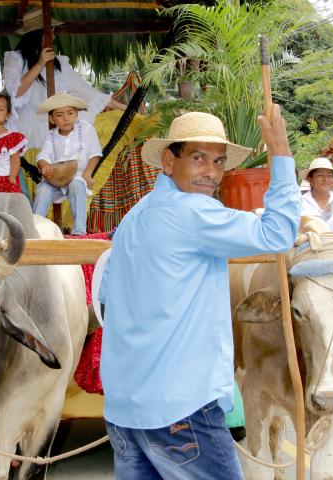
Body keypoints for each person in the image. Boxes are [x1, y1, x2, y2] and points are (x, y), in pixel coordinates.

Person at [98, 106, 301, 479]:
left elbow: (106, 296)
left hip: (125, 409)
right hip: (181, 407)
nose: (211, 171)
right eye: (198, 158)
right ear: (168, 160)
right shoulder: (194, 213)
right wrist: (280, 152)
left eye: (219, 161)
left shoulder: (134, 216)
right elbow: (279, 234)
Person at [3, 9, 125, 150]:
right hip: (26, 132)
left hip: (57, 128)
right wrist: (39, 64)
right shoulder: (15, 59)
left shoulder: (59, 64)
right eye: (52, 32)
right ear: (41, 35)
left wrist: (127, 110)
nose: (53, 37)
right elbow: (15, 92)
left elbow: (90, 94)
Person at [33, 93, 102, 236]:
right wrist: (44, 166)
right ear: (51, 118)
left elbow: (95, 154)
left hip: (77, 176)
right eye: (59, 115)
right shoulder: (50, 136)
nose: (66, 118)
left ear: (76, 113)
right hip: (55, 179)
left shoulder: (87, 129)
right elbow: (42, 157)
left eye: (70, 113)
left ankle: (79, 231)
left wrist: (87, 174)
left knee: (76, 184)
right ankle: (34, 229)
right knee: (42, 190)